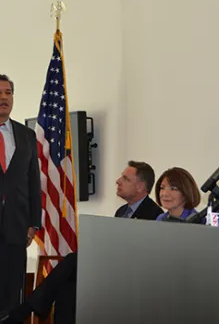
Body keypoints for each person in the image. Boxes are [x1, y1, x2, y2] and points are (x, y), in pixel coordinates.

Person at [0, 160, 162, 324]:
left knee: (72, 259)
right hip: (109, 271)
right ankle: (28, 308)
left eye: (125, 179)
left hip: (129, 279)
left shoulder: (154, 214)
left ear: (140, 187)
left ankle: (25, 309)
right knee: (66, 290)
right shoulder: (122, 211)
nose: (118, 181)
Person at [0, 74, 42, 313]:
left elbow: (33, 182)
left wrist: (34, 222)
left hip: (16, 227)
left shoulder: (26, 135)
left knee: (12, 298)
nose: (4, 98)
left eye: (8, 92)